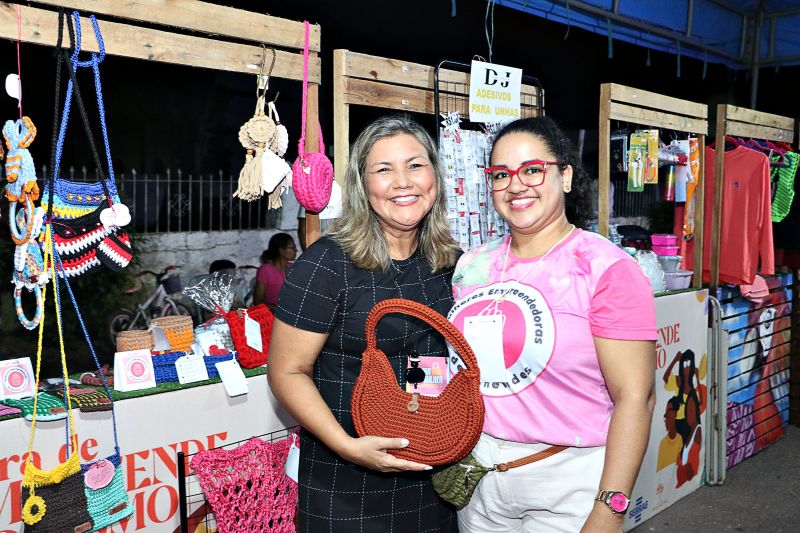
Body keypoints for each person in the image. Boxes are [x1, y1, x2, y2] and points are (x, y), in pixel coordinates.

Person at [448, 116, 656, 532]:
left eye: (532, 170)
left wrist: (609, 508)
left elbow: (636, 397)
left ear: (564, 176)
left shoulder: (606, 269)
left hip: (569, 483)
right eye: (501, 175)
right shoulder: (472, 267)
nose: (516, 185)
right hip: (479, 482)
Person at [268, 114, 461, 532]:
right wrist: (349, 447)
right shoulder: (326, 265)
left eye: (415, 165)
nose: (403, 181)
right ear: (362, 184)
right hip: (346, 481)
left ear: (435, 176)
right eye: (384, 169)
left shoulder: (450, 264)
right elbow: (287, 371)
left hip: (433, 473)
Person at [253, 233, 297, 309]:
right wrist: (279, 309)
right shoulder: (265, 270)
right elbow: (258, 302)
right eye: (292, 248)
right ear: (281, 251)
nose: (295, 250)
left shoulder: (293, 267)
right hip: (272, 314)